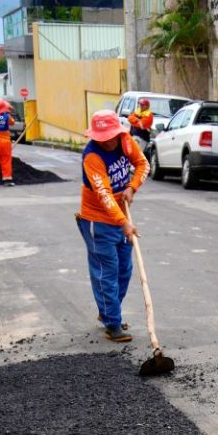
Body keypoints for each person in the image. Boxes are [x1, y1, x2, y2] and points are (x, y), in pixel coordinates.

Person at [77, 109, 148, 342]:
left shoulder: (125, 142)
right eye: (102, 137)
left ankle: (108, 312)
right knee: (106, 271)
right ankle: (112, 322)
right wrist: (124, 223)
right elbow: (104, 195)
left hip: (121, 214)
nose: (108, 141)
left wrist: (132, 187)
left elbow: (142, 165)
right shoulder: (92, 157)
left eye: (111, 136)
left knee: (124, 271)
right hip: (97, 220)